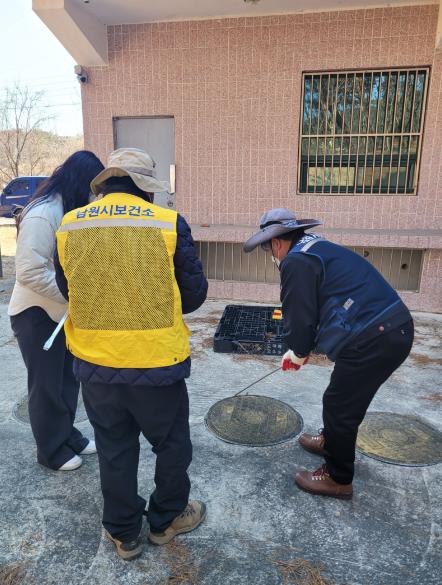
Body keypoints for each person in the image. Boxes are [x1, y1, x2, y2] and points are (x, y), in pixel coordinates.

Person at [54, 148, 208, 560]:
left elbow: (68, 289)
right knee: (171, 445)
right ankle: (166, 520)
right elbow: (194, 295)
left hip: (96, 364)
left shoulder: (70, 225)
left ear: (106, 182)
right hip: (157, 364)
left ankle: (123, 532)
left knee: (114, 448)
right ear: (147, 188)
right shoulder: (167, 223)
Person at [244, 208, 414, 499]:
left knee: (339, 404)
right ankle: (331, 440)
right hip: (389, 328)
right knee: (346, 394)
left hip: (377, 335)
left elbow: (299, 314)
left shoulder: (295, 261)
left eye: (267, 248)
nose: (270, 255)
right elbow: (322, 304)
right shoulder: (316, 247)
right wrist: (307, 347)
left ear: (276, 242)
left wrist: (298, 351)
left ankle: (337, 478)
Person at [8, 150, 104, 471]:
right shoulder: (44, 213)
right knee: (45, 386)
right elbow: (29, 271)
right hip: (35, 314)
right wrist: (74, 295)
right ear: (79, 182)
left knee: (68, 381)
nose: (94, 197)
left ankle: (67, 436)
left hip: (61, 313)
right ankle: (50, 451)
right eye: (92, 189)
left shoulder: (68, 211)